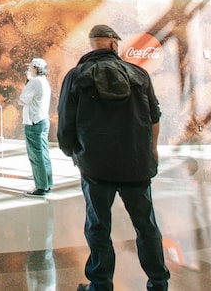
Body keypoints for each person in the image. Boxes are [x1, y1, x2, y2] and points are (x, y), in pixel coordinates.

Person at [57, 25, 169, 291]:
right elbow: (154, 116)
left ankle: (101, 284)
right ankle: (158, 282)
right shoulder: (139, 74)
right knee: (146, 225)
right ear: (113, 44)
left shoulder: (75, 76)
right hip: (136, 163)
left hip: (95, 166)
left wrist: (74, 153)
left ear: (92, 45)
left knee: (98, 226)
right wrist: (151, 149)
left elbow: (65, 123)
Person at [19, 57, 53, 197]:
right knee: (43, 153)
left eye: (31, 67)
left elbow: (22, 100)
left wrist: (28, 82)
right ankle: (47, 183)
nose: (29, 69)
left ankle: (40, 186)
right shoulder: (44, 81)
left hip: (34, 121)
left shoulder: (34, 82)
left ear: (35, 68)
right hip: (43, 119)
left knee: (36, 155)